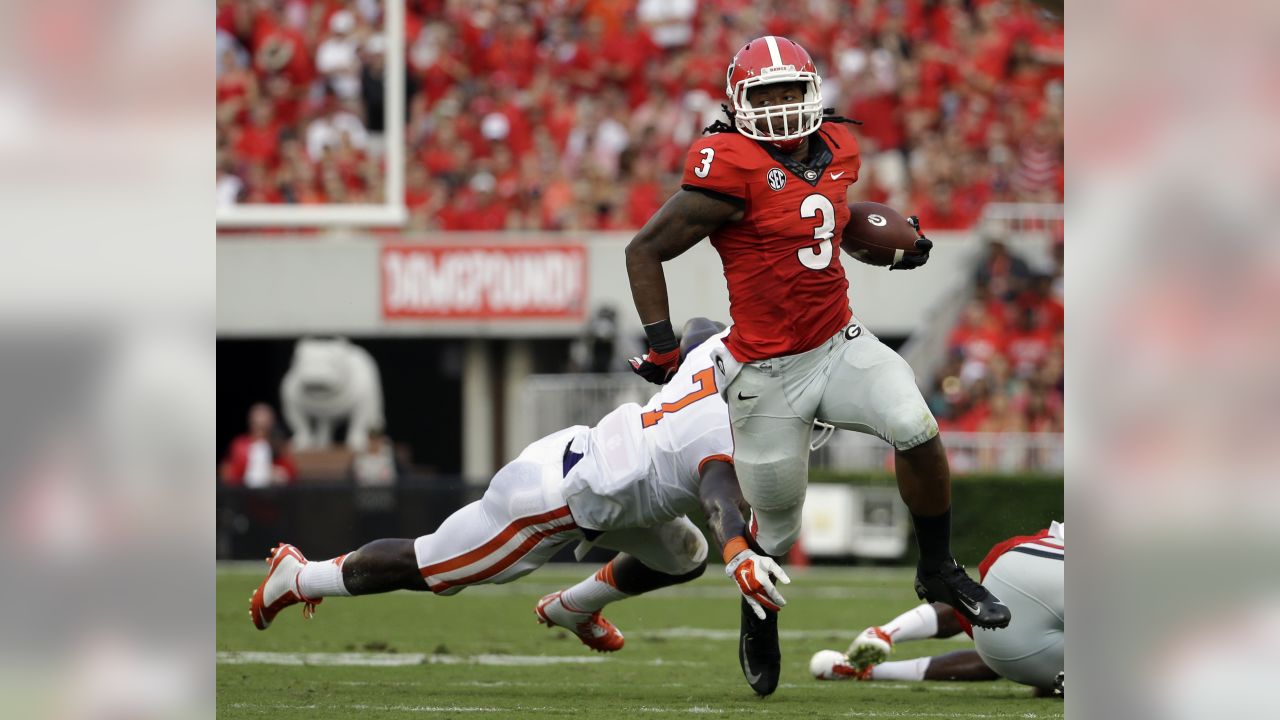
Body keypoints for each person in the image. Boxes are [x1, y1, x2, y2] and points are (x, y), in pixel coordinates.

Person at [623, 36, 1009, 696]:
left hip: (839, 344)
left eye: (787, 92)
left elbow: (828, 220)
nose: (777, 107)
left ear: (813, 93)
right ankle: (759, 609)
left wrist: (895, 242)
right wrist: (662, 345)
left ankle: (939, 569)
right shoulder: (728, 165)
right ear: (737, 103)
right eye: (763, 94)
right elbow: (644, 249)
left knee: (916, 427)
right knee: (776, 527)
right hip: (764, 372)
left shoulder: (838, 148)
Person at [250, 319, 790, 664]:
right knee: (428, 566)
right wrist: (740, 552)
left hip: (600, 471)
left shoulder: (720, 355)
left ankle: (573, 608)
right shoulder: (721, 428)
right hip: (550, 504)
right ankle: (300, 577)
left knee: (683, 554)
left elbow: (700, 329)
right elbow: (721, 494)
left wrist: (677, 355)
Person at [811, 522, 1064, 695]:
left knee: (987, 614)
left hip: (1025, 554)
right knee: (1010, 642)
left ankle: (884, 637)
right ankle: (873, 671)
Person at [220, 403, 296, 488]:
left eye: (265, 427)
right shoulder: (239, 445)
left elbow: (290, 472)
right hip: (244, 494)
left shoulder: (278, 445)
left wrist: (280, 473)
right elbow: (228, 472)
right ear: (251, 424)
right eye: (259, 426)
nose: (261, 432)